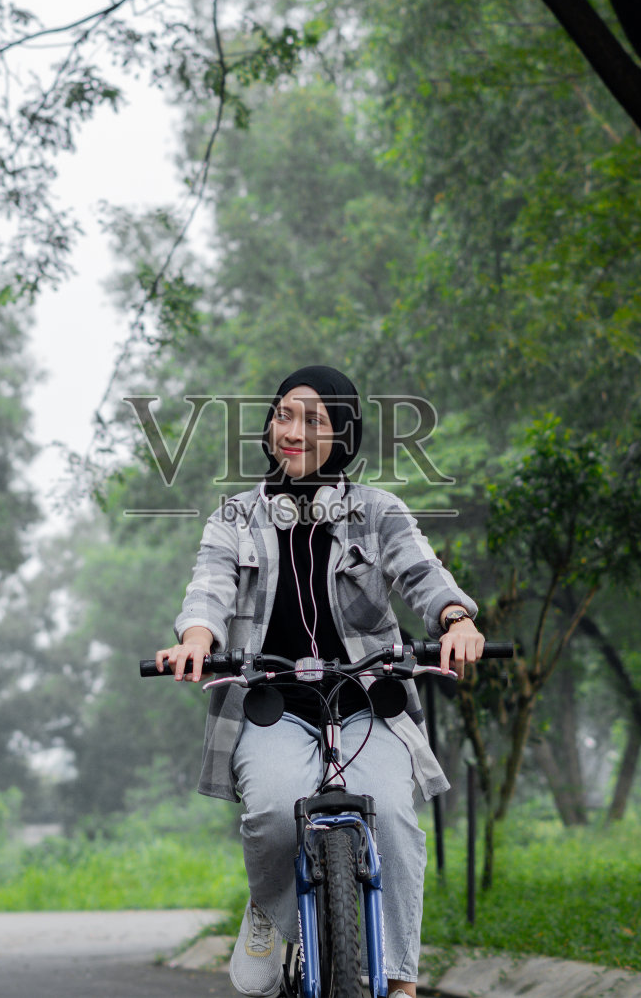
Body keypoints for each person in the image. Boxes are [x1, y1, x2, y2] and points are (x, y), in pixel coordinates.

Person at [153, 365, 485, 998]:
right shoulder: (235, 516)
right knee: (274, 812)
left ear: (343, 436)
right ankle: (270, 902)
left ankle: (400, 982)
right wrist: (196, 639)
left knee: (393, 818)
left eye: (313, 421)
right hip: (271, 705)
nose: (292, 431)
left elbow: (422, 572)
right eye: (283, 415)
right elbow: (209, 587)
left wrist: (457, 619)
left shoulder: (378, 511)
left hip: (368, 703)